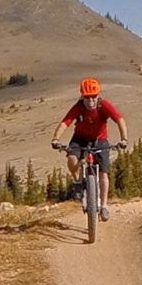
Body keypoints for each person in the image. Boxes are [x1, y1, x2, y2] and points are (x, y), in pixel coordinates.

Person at [51, 77, 128, 218]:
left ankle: (104, 206)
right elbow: (65, 122)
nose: (91, 101)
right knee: (72, 160)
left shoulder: (103, 105)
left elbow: (119, 120)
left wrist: (124, 139)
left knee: (103, 173)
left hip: (100, 140)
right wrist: (56, 138)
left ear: (98, 96)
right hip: (79, 139)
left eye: (93, 97)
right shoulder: (78, 107)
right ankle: (78, 181)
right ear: (82, 97)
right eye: (87, 98)